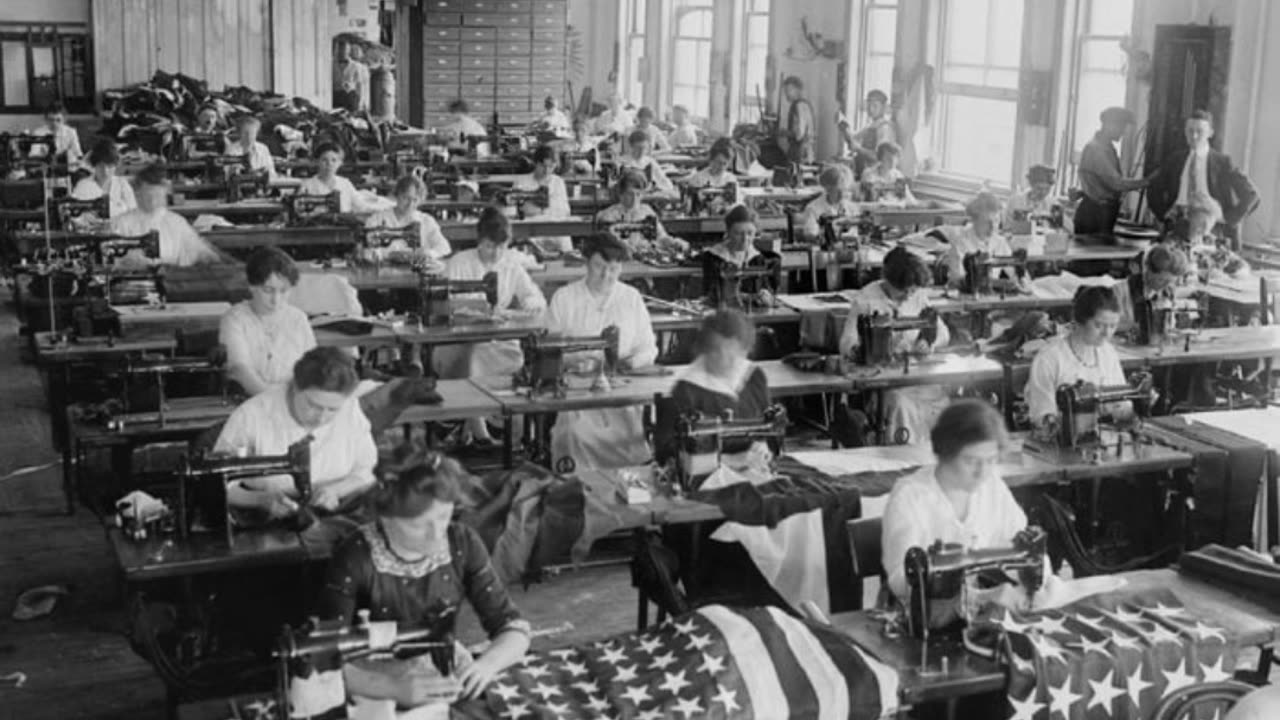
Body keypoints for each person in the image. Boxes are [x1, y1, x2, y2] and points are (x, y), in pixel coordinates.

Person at [317, 448, 530, 703]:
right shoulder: (355, 556)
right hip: (370, 681)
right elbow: (323, 658)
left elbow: (512, 627)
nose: (436, 533)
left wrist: (485, 666)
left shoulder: (462, 542)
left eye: (443, 516)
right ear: (386, 517)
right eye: (418, 525)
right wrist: (392, 688)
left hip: (440, 670)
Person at [881, 400, 1031, 615]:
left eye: (990, 461)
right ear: (945, 453)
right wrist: (980, 597)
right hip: (919, 619)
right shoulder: (910, 496)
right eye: (971, 461)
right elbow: (900, 581)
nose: (982, 472)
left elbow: (1020, 543)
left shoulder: (992, 487)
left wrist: (1034, 580)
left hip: (974, 619)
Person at [214, 347, 377, 544]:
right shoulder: (251, 416)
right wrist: (260, 499)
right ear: (295, 387)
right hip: (265, 525)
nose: (322, 417)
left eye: (332, 409)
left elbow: (367, 470)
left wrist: (337, 489)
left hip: (335, 515)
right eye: (314, 405)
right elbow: (218, 484)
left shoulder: (350, 410)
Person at [546, 233, 658, 470]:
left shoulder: (631, 298)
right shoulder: (564, 298)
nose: (606, 275)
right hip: (577, 390)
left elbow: (648, 347)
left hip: (622, 389)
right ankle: (574, 490)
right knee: (575, 433)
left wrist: (632, 363)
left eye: (613, 269)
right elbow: (549, 350)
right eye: (599, 266)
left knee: (629, 438)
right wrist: (574, 360)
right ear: (586, 263)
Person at [438, 208, 547, 445]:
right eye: (489, 246)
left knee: (494, 358)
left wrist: (529, 305)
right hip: (455, 341)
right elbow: (442, 304)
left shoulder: (511, 265)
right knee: (474, 355)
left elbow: (534, 297)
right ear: (479, 241)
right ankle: (480, 434)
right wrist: (471, 309)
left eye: (501, 247)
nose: (495, 253)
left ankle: (472, 427)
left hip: (499, 341)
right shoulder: (459, 263)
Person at [839, 246, 951, 444]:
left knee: (942, 402)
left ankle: (935, 457)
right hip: (882, 384)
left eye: (913, 291)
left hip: (916, 378)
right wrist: (866, 350)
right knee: (900, 404)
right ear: (888, 281)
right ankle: (901, 459)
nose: (908, 296)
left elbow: (943, 333)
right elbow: (847, 343)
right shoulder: (866, 300)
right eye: (903, 291)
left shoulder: (917, 296)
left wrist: (928, 342)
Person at [655, 310, 770, 464]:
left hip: (753, 467)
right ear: (705, 349)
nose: (727, 359)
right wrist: (731, 460)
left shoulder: (753, 377)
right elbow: (666, 453)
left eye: (735, 351)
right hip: (704, 477)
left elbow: (768, 429)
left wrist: (764, 446)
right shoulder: (687, 390)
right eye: (718, 350)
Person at [1025, 285, 1132, 428]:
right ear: (1080, 320)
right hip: (1061, 443)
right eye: (1099, 325)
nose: (1107, 334)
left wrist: (1124, 410)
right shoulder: (1049, 358)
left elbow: (1122, 403)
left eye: (1113, 326)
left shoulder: (1108, 353)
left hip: (1104, 436)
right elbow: (1042, 417)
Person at [1147, 109, 1259, 245]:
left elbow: (1252, 195)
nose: (1194, 136)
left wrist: (1228, 219)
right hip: (1178, 227)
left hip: (1213, 230)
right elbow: (1153, 189)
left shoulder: (1223, 163)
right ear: (1185, 131)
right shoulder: (1175, 160)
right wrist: (1163, 213)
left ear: (1210, 133)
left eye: (1199, 131)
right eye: (1190, 130)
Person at [220, 247, 317, 396]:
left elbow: (311, 366)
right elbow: (240, 369)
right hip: (250, 399)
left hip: (295, 399)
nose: (276, 300)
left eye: (283, 291)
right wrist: (273, 399)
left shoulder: (298, 318)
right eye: (268, 290)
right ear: (252, 286)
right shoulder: (235, 319)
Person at [110, 163, 222, 266]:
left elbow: (196, 249)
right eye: (148, 194)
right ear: (137, 194)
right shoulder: (121, 223)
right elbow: (111, 259)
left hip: (173, 282)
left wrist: (206, 256)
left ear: (165, 193)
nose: (153, 199)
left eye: (157, 194)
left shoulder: (177, 222)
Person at [1075, 107, 1150, 237]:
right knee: (1093, 254)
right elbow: (1116, 183)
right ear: (1109, 125)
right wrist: (1147, 182)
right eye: (1120, 127)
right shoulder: (1096, 150)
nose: (1122, 132)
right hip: (1094, 215)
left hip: (1103, 213)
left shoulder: (1108, 149)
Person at [595, 170, 687, 254]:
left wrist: (673, 242)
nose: (635, 199)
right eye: (630, 194)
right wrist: (624, 247)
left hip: (645, 259)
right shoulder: (608, 215)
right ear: (621, 194)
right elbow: (607, 245)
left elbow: (661, 237)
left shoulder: (647, 212)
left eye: (638, 194)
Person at [702, 205, 776, 308]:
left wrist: (766, 295)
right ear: (728, 232)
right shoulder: (713, 257)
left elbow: (768, 289)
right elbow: (713, 295)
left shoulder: (757, 258)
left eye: (750, 233)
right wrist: (750, 297)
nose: (745, 239)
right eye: (738, 233)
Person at [363, 175, 451, 260]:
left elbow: (444, 247)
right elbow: (367, 253)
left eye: (415, 200)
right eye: (405, 198)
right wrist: (388, 254)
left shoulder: (426, 221)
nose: (410, 204)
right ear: (397, 195)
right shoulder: (376, 220)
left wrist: (427, 254)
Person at [942, 192, 1017, 288]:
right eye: (988, 222)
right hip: (964, 295)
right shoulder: (960, 241)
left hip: (990, 296)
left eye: (996, 221)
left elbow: (1014, 270)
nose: (993, 227)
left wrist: (1021, 278)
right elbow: (958, 278)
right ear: (974, 220)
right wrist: (998, 283)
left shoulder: (1000, 242)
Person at [510, 144, 572, 253]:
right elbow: (516, 210)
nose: (547, 170)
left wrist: (539, 210)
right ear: (535, 163)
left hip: (554, 229)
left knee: (566, 245)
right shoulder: (521, 182)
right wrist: (547, 208)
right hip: (529, 229)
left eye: (551, 166)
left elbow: (565, 210)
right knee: (524, 247)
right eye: (543, 166)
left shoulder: (558, 182)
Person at [70, 139, 137, 218]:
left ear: (115, 166)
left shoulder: (123, 185)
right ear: (94, 165)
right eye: (101, 166)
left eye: (109, 166)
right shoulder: (83, 186)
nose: (105, 171)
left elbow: (133, 214)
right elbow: (75, 216)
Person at [297, 143, 364, 214]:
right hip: (317, 224)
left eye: (334, 160)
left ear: (340, 163)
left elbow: (360, 205)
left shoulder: (345, 183)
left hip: (343, 223)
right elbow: (300, 211)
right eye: (324, 160)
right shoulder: (307, 185)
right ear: (317, 162)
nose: (329, 164)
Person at [840, 89, 896, 171]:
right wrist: (844, 128)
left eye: (875, 106)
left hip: (877, 173)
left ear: (883, 107)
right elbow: (853, 139)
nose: (870, 109)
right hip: (864, 170)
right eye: (869, 105)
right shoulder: (870, 126)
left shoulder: (885, 128)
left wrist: (858, 149)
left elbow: (879, 157)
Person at [801, 164, 861, 240]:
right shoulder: (813, 208)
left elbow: (855, 234)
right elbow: (810, 235)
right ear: (827, 187)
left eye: (846, 189)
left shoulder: (852, 208)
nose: (843, 194)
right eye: (839, 189)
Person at [615, 130, 676, 196]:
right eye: (638, 148)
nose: (641, 151)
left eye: (644, 148)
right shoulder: (621, 162)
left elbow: (663, 180)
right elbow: (617, 184)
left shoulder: (650, 162)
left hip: (649, 196)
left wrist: (662, 188)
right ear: (631, 147)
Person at [1004, 165, 1058, 230]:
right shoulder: (1014, 201)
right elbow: (1007, 228)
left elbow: (1059, 230)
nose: (1043, 192)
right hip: (1019, 238)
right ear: (1031, 184)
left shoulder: (1053, 204)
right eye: (1039, 188)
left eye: (1047, 189)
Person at [225, 114, 277, 179]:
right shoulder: (231, 149)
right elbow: (227, 173)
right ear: (239, 133)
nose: (249, 136)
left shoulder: (263, 148)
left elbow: (272, 172)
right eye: (245, 133)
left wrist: (266, 172)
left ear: (256, 134)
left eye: (252, 133)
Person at [777, 75, 814, 164]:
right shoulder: (805, 104)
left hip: (798, 151)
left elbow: (799, 134)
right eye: (785, 91)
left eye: (788, 91)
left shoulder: (798, 105)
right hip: (807, 151)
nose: (786, 94)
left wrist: (782, 133)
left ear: (797, 90)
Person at [335, 41, 370, 112]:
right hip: (336, 96)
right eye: (340, 49)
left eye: (344, 50)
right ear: (337, 50)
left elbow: (359, 85)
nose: (342, 52)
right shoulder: (331, 64)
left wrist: (361, 102)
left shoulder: (355, 66)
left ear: (348, 51)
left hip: (350, 96)